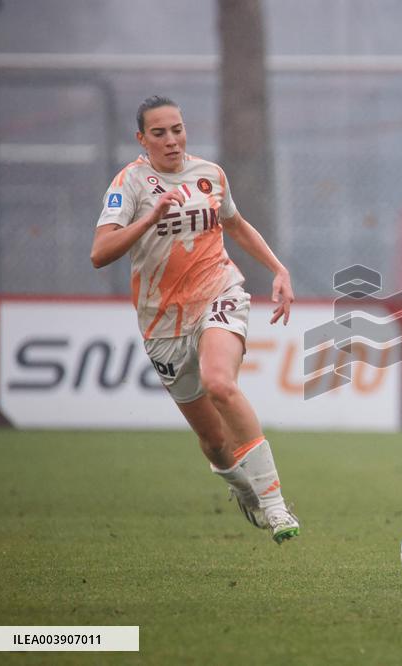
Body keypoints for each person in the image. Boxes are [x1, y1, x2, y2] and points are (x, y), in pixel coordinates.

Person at [91, 95, 299, 544]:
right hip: (162, 324)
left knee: (220, 382)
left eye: (178, 129)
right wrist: (148, 219)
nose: (172, 140)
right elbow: (100, 254)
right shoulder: (129, 184)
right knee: (214, 442)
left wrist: (278, 270)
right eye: (160, 132)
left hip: (219, 292)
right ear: (141, 139)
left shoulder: (210, 175)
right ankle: (240, 485)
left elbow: (236, 224)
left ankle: (277, 507)